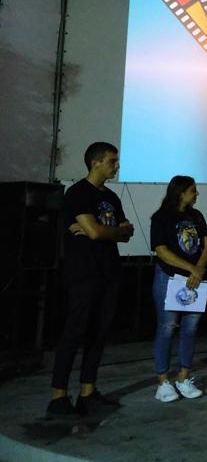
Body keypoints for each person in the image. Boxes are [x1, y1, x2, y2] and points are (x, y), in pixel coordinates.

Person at [48, 142, 135, 417]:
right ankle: (58, 396)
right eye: (112, 161)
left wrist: (102, 230)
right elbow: (99, 233)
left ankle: (88, 392)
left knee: (99, 332)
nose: (117, 166)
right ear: (95, 163)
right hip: (83, 272)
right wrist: (107, 231)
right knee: (75, 331)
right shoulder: (78, 193)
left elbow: (126, 233)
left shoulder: (112, 197)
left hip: (109, 271)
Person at [149, 176, 207, 402]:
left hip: (194, 280)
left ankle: (184, 379)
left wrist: (198, 270)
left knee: (190, 329)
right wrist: (191, 269)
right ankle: (163, 382)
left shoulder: (196, 216)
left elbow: (206, 244)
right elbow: (161, 250)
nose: (197, 194)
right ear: (181, 192)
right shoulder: (161, 217)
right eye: (193, 190)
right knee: (167, 328)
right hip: (169, 278)